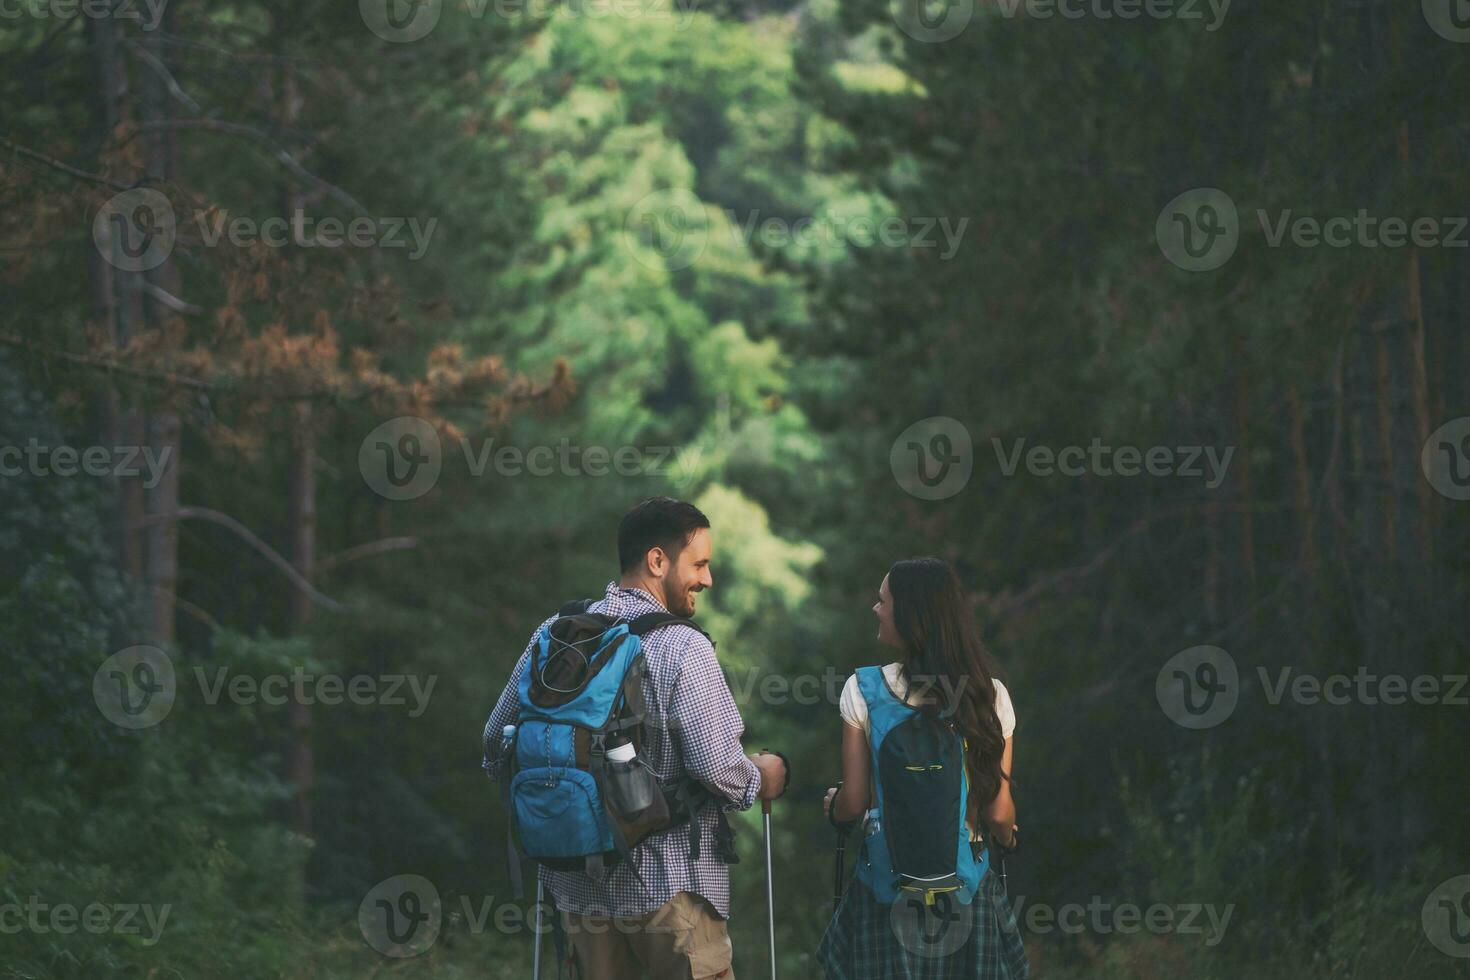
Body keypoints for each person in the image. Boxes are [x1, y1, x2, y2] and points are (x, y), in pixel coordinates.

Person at [483, 496, 788, 980]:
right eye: (700, 564)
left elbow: (496, 744)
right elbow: (718, 769)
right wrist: (763, 777)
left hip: (577, 893)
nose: (707, 580)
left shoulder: (555, 634)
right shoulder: (682, 645)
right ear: (656, 560)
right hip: (668, 892)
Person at [817, 557, 1028, 979]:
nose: (875, 609)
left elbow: (854, 802)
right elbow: (997, 813)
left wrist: (833, 804)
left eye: (883, 602)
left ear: (911, 615)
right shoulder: (988, 696)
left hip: (886, 897)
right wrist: (1008, 835)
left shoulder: (863, 690)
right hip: (967, 894)